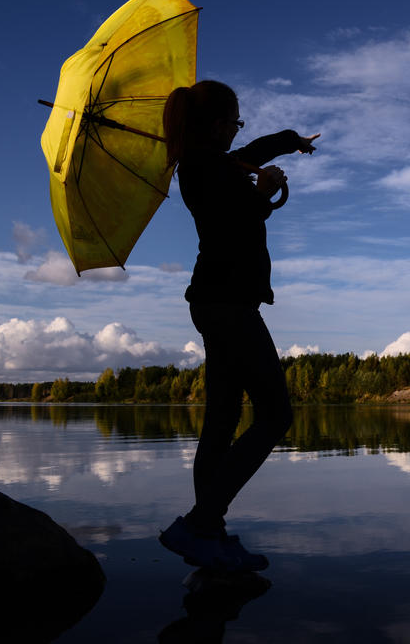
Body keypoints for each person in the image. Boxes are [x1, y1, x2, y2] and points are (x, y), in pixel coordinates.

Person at [158, 80, 318, 571]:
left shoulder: (214, 161)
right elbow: (233, 223)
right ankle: (201, 523)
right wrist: (264, 192)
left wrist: (291, 139)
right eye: (234, 121)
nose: (238, 131)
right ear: (215, 125)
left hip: (218, 301)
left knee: (222, 419)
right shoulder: (202, 167)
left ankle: (209, 534)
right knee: (275, 414)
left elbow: (252, 151)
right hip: (227, 305)